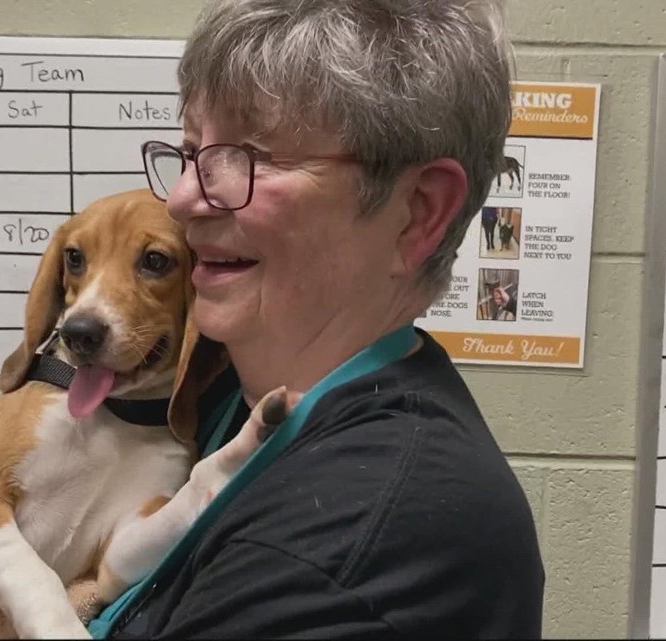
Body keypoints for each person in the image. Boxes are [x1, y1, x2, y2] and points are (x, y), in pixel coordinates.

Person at [99, 0, 546, 637]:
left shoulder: (358, 537)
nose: (180, 199)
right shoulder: (222, 390)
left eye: (250, 154)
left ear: (418, 212)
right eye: (194, 150)